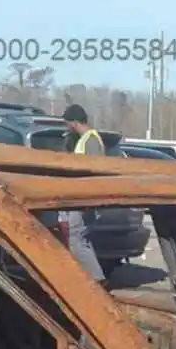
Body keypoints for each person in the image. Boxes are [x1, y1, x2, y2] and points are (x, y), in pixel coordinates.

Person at [59, 104, 106, 280]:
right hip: (79, 198)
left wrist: (89, 199)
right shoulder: (84, 140)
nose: (67, 126)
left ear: (74, 122)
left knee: (76, 239)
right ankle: (89, 278)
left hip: (83, 198)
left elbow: (94, 171)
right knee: (79, 239)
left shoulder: (91, 140)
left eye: (67, 123)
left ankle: (97, 280)